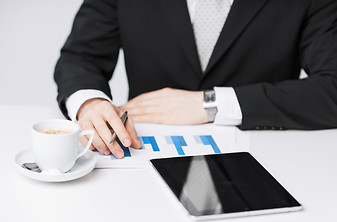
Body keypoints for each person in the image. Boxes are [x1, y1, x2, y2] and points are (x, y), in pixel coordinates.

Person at [54, 0, 337, 159]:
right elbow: (80, 56)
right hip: (142, 154)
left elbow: (332, 86)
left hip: (264, 159)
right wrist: (89, 102)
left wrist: (211, 104)